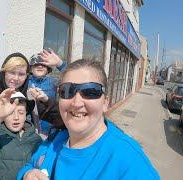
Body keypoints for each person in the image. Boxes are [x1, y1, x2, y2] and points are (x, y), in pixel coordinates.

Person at [18, 59, 160, 180]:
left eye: (90, 91)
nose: (77, 103)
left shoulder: (127, 159)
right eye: (67, 91)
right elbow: (30, 165)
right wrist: (27, 174)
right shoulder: (55, 139)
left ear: (105, 103)